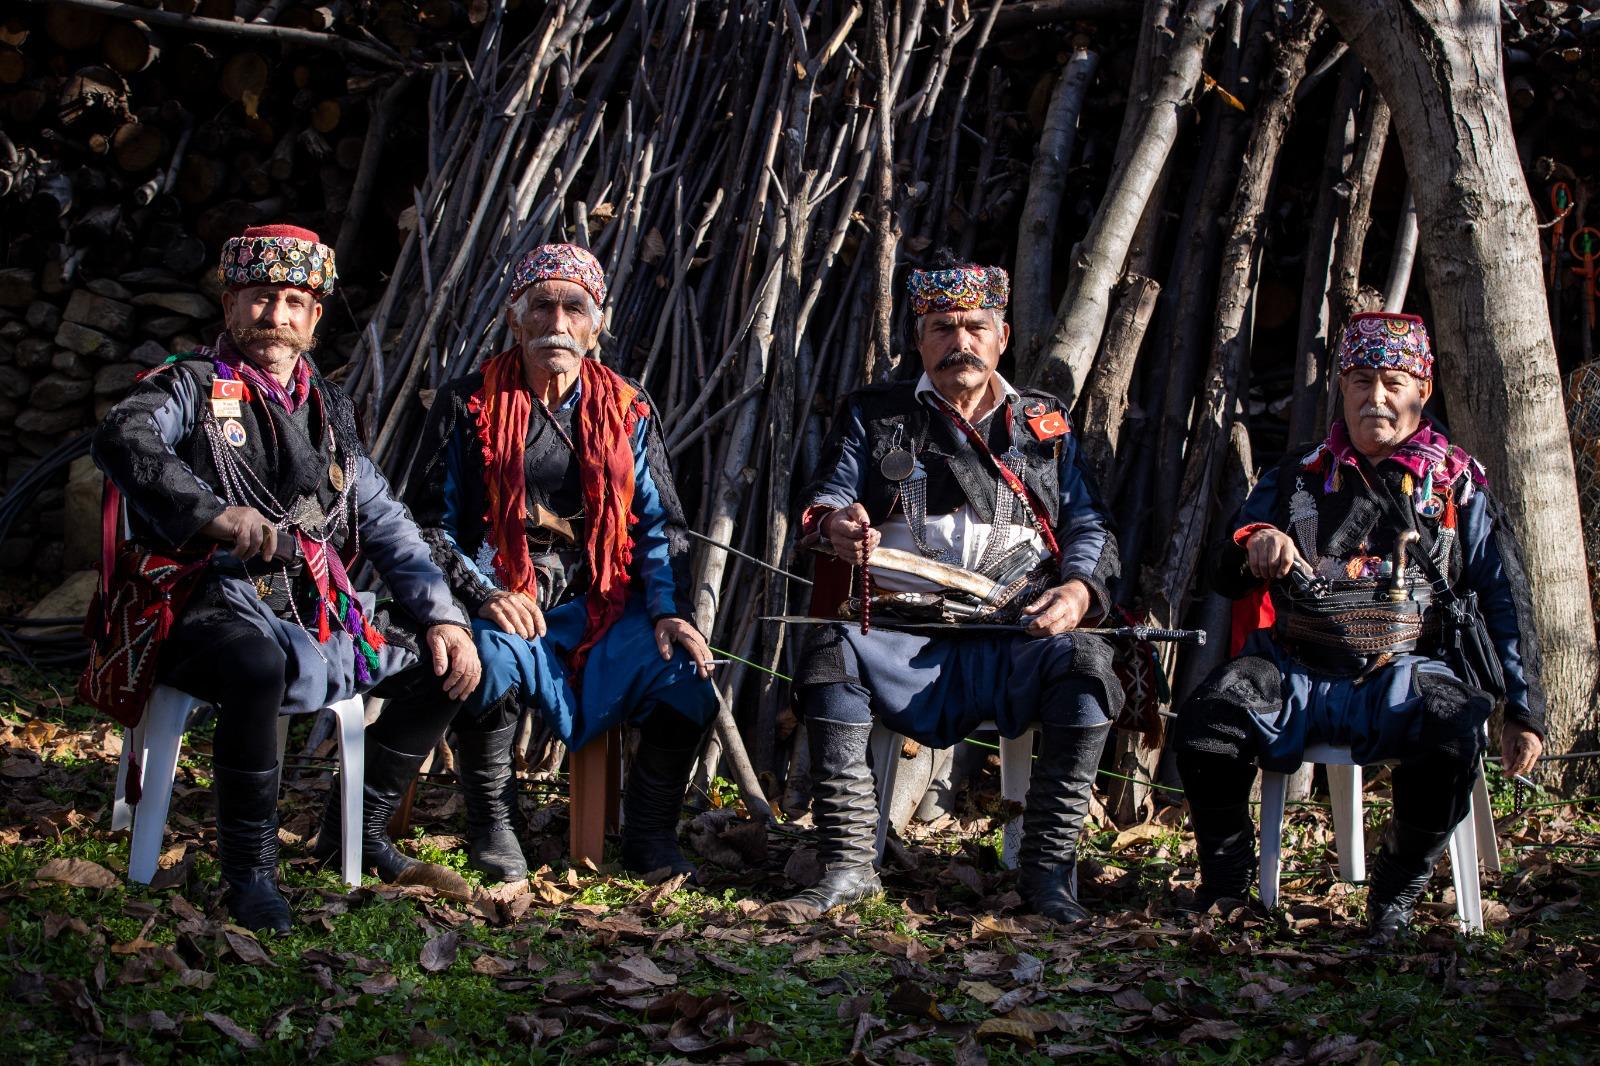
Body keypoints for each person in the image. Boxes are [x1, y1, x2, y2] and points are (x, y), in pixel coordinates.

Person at [90, 224, 482, 933]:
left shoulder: (330, 409)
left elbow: (384, 517)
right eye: (260, 298)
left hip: (309, 605)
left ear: (316, 316)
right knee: (254, 665)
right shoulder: (188, 385)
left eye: (294, 301)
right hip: (199, 597)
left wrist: (445, 614)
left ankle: (354, 836)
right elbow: (125, 438)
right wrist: (213, 514)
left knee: (445, 658)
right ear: (230, 301)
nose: (276, 316)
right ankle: (251, 870)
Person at [1173, 311, 1545, 940]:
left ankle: (1395, 889)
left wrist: (1524, 707)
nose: (1377, 398)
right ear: (1341, 388)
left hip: (1405, 669)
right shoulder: (1295, 475)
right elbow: (1225, 572)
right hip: (1293, 664)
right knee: (1210, 723)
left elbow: (1505, 595)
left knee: (1454, 732)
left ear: (1421, 391)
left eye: (1394, 382)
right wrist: (1256, 543)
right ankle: (1228, 887)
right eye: (1363, 381)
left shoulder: (1458, 487)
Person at [776, 257, 1123, 922]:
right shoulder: (872, 415)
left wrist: (1078, 591)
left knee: (1088, 667)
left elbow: (1090, 522)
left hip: (1016, 636)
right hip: (902, 635)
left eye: (975, 327)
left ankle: (1048, 877)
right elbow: (827, 501)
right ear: (918, 339)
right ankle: (849, 867)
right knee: (830, 656)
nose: (959, 342)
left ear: (1002, 337)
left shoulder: (1043, 425)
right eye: (942, 328)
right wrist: (840, 526)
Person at [408, 243, 717, 882]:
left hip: (603, 603)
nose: (558, 320)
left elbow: (661, 526)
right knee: (485, 661)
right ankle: (492, 825)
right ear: (513, 319)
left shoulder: (629, 408)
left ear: (595, 324)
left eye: (574, 307)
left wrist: (668, 611)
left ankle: (650, 835)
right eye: (541, 305)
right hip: (498, 598)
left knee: (684, 674)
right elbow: (428, 524)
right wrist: (482, 590)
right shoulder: (468, 404)